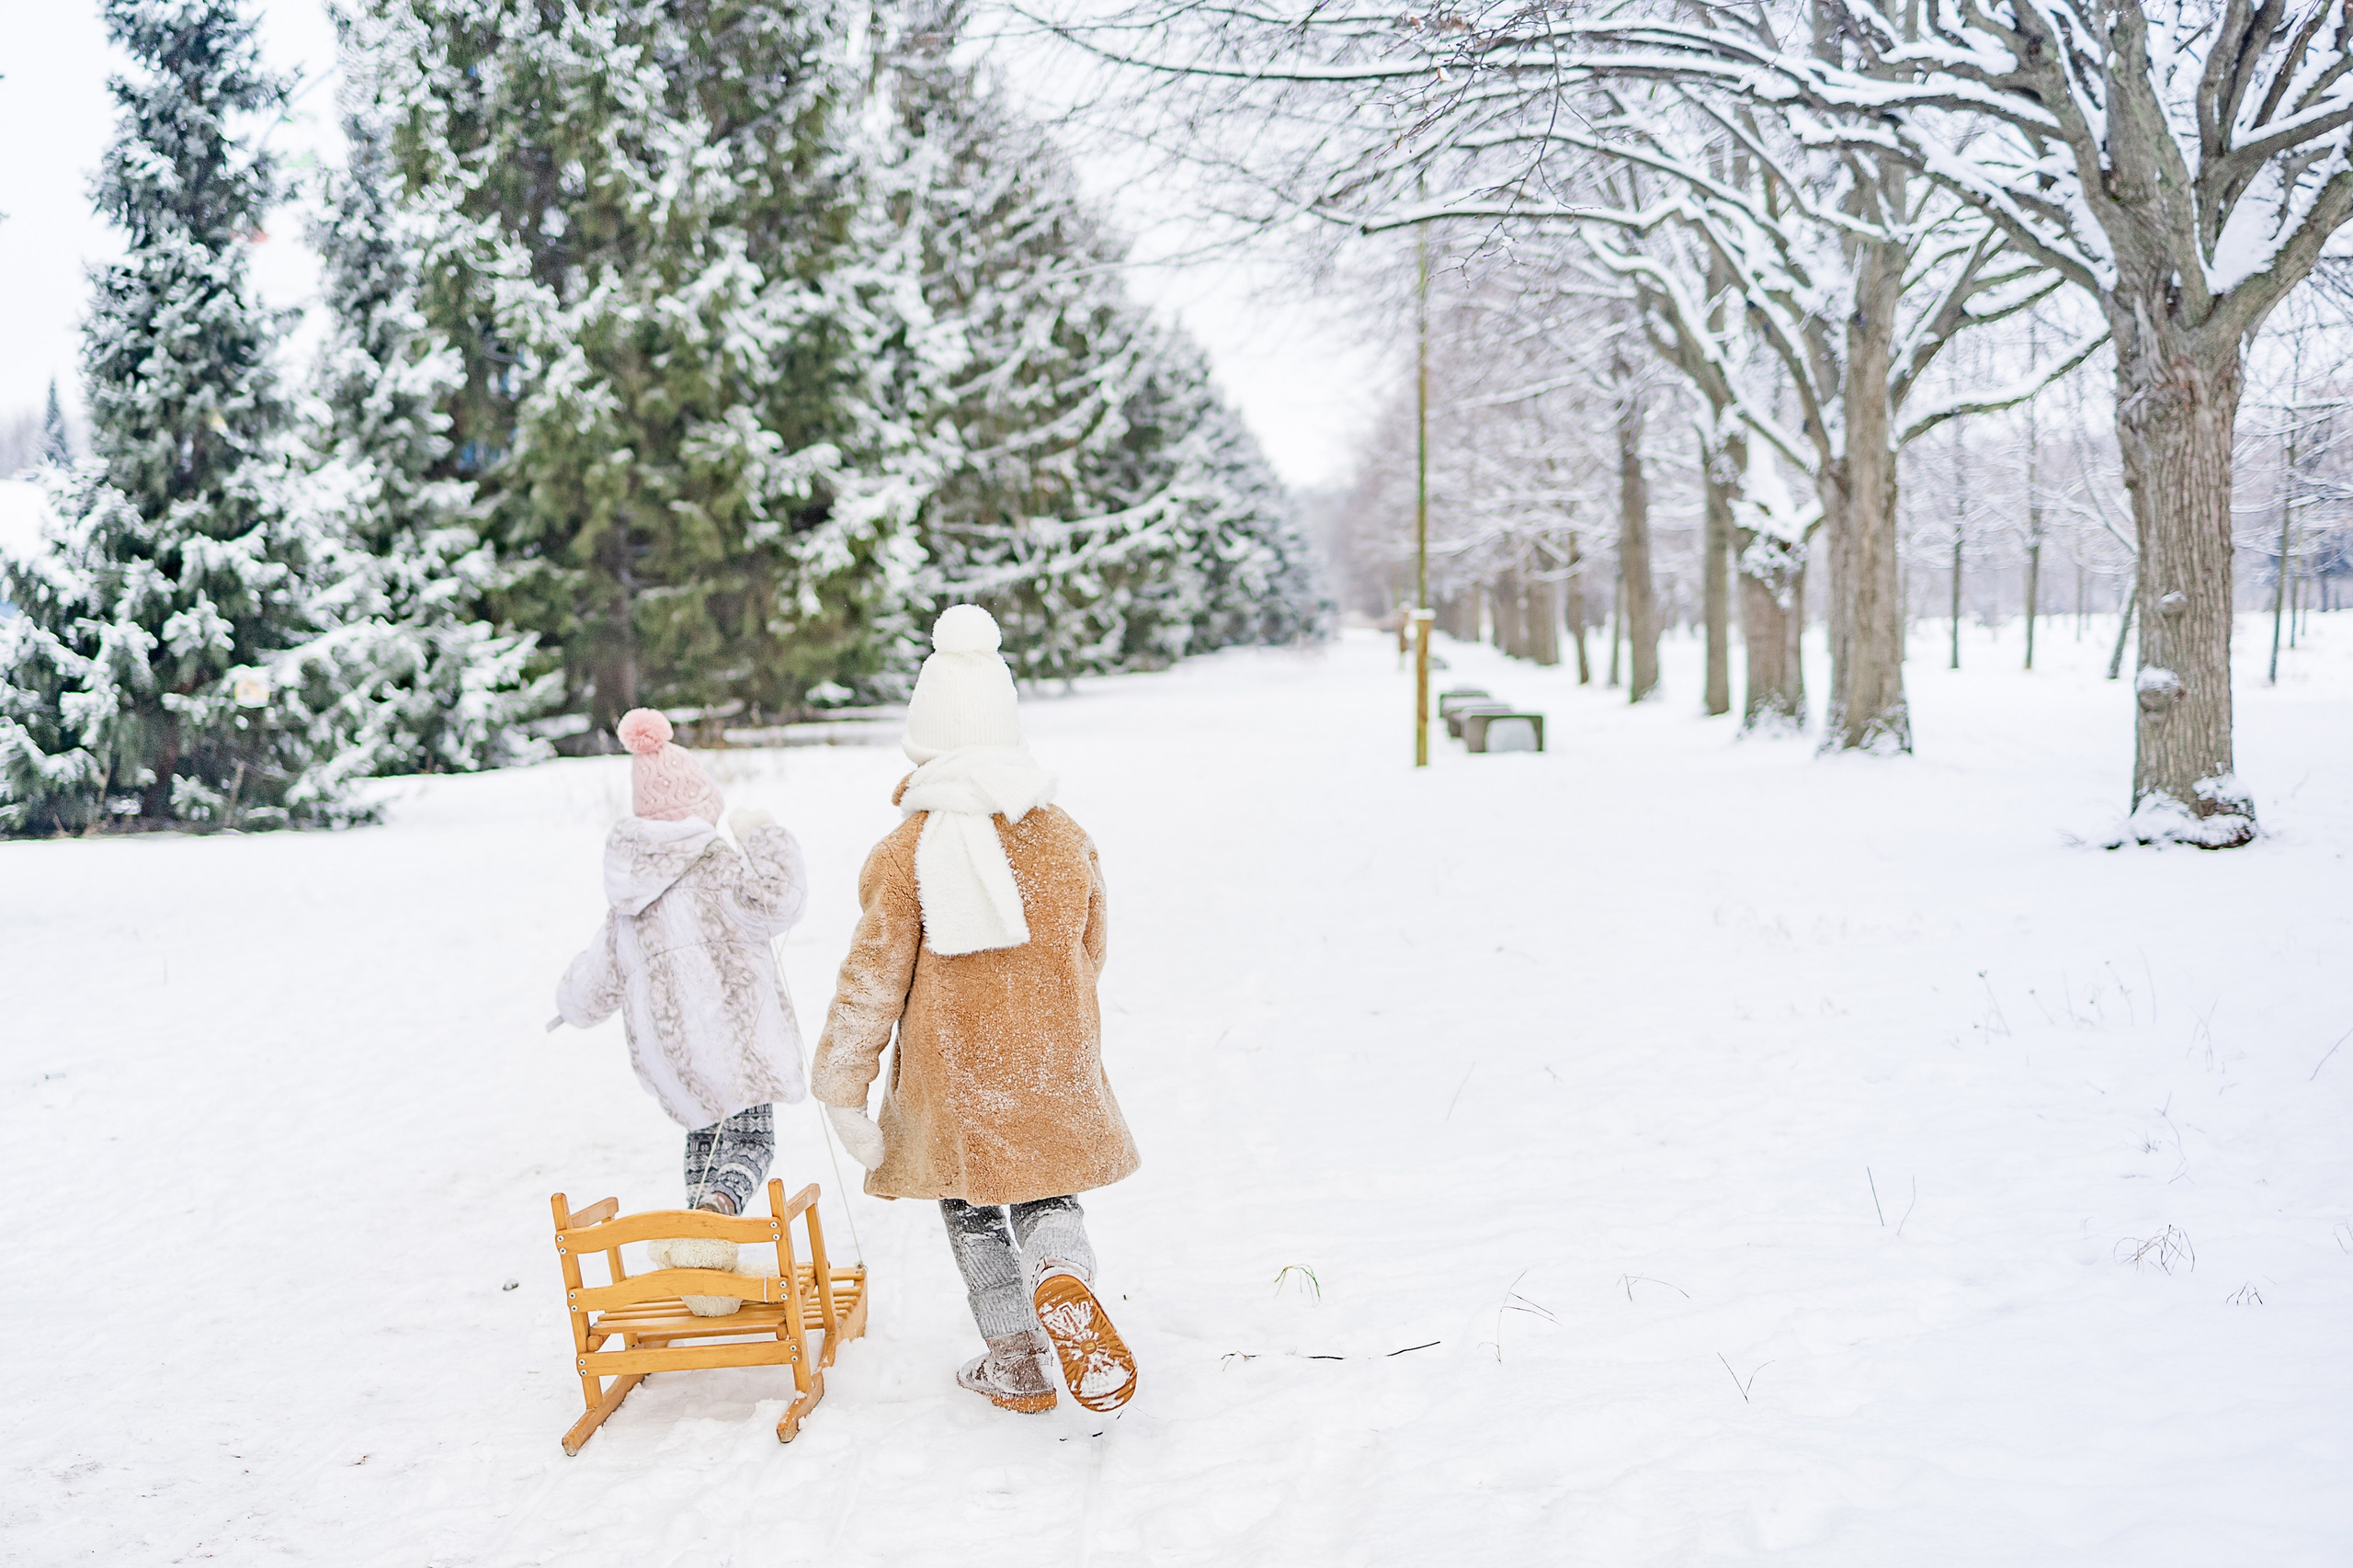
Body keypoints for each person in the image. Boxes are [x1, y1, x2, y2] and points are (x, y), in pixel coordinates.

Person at [814, 605, 1141, 1415]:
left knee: (970, 1209)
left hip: (954, 1075)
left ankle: (1017, 1359)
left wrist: (841, 1086)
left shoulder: (905, 853)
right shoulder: (1063, 837)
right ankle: (1062, 1276)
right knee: (1048, 1191)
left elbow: (870, 981)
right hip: (1051, 1055)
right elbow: (1092, 945)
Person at [551, 708, 809, 1217]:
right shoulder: (719, 868)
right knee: (752, 1146)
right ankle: (717, 1209)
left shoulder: (628, 899)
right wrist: (761, 835)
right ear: (700, 806)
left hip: (674, 1059)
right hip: (737, 1045)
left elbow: (596, 978)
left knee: (704, 1141)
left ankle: (702, 1245)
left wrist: (567, 1008)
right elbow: (781, 900)